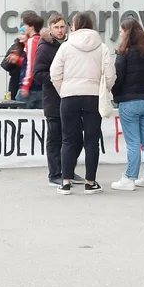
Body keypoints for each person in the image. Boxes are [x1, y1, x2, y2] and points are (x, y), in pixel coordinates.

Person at [50, 11, 115, 195]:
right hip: (93, 96)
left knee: (68, 140)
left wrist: (64, 90)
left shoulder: (66, 47)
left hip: (69, 96)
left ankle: (65, 182)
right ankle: (90, 182)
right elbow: (110, 75)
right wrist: (104, 89)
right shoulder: (101, 47)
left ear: (75, 26)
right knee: (92, 141)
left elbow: (54, 73)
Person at [32, 13, 84, 186]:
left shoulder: (70, 44)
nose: (60, 30)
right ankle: (55, 173)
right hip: (53, 100)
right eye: (56, 27)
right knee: (55, 138)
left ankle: (68, 170)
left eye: (62, 27)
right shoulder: (44, 47)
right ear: (50, 28)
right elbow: (37, 74)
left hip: (71, 98)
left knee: (74, 138)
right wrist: (59, 77)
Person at [110, 17, 144, 191]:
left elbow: (118, 77)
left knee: (132, 142)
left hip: (129, 102)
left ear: (127, 33)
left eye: (122, 31)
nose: (120, 34)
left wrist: (115, 93)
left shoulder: (124, 53)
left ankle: (129, 177)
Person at [17, 11, 44, 109]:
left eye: (25, 24)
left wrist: (25, 85)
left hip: (31, 87)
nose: (24, 27)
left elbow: (31, 64)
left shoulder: (32, 41)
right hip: (39, 85)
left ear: (31, 26)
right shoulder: (41, 40)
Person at [1, 27, 27, 100]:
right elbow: (4, 65)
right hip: (15, 82)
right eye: (20, 34)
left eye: (23, 34)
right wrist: (12, 61)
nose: (20, 36)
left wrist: (19, 60)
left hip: (28, 85)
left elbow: (32, 65)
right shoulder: (15, 47)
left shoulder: (33, 46)